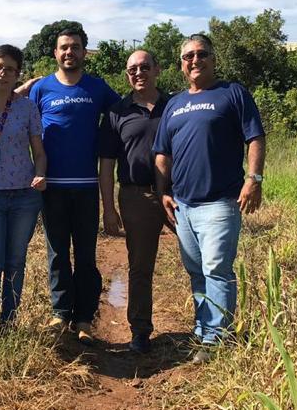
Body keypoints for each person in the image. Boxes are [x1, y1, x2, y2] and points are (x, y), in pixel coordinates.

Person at [153, 33, 266, 364]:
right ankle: (204, 331)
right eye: (188, 56)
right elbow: (162, 155)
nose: (195, 60)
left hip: (220, 202)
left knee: (216, 268)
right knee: (196, 271)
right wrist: (163, 193)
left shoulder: (232, 93)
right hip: (183, 206)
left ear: (214, 59)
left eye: (201, 54)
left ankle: (218, 340)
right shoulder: (174, 104)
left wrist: (254, 179)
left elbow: (255, 137)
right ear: (181, 65)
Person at [28, 26, 120, 343]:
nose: (69, 52)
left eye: (76, 47)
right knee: (56, 254)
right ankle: (60, 314)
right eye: (64, 47)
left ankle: (84, 318)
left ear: (84, 52)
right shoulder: (41, 89)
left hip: (85, 186)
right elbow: (14, 112)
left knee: (85, 255)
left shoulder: (97, 88)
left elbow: (124, 111)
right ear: (55, 53)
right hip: (50, 186)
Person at [99, 49, 171, 354]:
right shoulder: (117, 112)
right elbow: (106, 164)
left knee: (201, 262)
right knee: (140, 267)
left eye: (144, 67)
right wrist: (108, 208)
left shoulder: (176, 105)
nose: (138, 73)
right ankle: (140, 330)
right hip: (136, 195)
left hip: (182, 194)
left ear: (157, 69)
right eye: (132, 70)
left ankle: (207, 329)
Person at [0, 44, 48, 327]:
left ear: (18, 74)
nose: (3, 73)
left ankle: (9, 320)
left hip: (23, 196)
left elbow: (38, 152)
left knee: (16, 260)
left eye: (10, 69)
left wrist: (40, 174)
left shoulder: (27, 108)